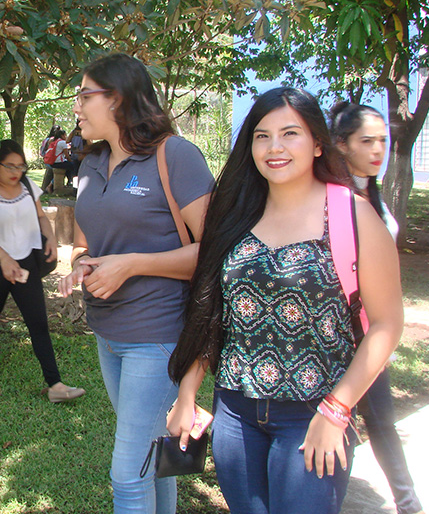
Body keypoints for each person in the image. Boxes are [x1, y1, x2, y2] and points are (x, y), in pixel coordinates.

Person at [167, 87, 405, 514]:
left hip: (314, 413)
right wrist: (188, 392)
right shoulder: (235, 213)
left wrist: (337, 410)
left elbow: (387, 324)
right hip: (235, 413)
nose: (274, 147)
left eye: (290, 133)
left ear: (317, 144)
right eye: (262, 136)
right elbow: (212, 310)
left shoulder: (353, 215)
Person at [58, 53, 214, 514]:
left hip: (159, 336)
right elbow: (86, 244)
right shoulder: (91, 163)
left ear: (118, 99)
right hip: (108, 335)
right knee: (149, 456)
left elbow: (214, 250)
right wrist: (81, 265)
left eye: (85, 95)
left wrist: (131, 266)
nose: (76, 107)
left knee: (127, 476)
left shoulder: (175, 156)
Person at [330, 101, 424, 514]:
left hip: (371, 333)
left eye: (383, 141)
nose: (378, 150)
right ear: (341, 144)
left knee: (380, 423)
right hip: (340, 335)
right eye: (366, 141)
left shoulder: (371, 193)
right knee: (343, 428)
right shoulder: (336, 198)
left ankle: (408, 504)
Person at [0, 139, 85, 402]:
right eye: (10, 166)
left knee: (38, 322)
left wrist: (50, 237)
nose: (16, 172)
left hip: (25, 263)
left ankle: (55, 385)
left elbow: (41, 216)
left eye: (20, 166)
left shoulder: (28, 186)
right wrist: (4, 259)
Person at [40, 125, 62, 194]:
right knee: (60, 170)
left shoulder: (46, 139)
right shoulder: (52, 139)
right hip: (50, 160)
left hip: (46, 159)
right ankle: (49, 187)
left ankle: (47, 187)